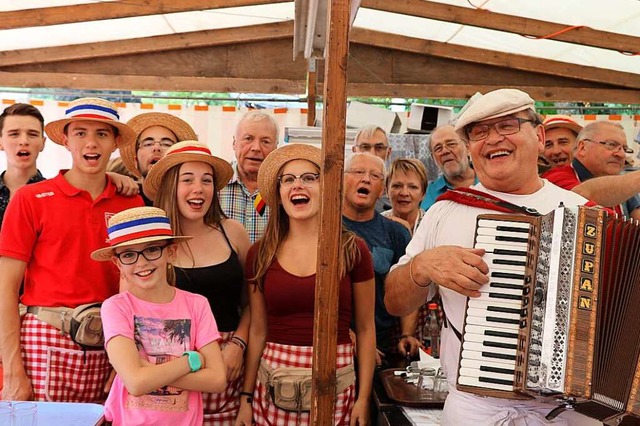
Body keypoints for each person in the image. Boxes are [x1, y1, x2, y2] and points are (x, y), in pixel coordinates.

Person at [384, 88, 599, 425]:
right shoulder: (444, 211)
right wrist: (421, 267)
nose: (493, 139)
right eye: (480, 132)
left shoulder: (586, 216)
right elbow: (394, 302)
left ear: (539, 137)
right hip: (475, 410)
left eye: (508, 126)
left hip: (571, 413)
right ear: (471, 148)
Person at [0, 97, 144, 402]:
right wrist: (12, 369)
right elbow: (5, 288)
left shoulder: (131, 202)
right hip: (45, 338)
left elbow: (139, 288)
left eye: (102, 134)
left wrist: (129, 356)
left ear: (116, 142)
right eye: (80, 133)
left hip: (111, 345)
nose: (90, 143)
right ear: (65, 140)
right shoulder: (30, 199)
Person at [236, 144, 376, 426]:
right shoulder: (260, 253)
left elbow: (364, 328)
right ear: (279, 193)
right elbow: (258, 330)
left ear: (325, 188)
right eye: (288, 179)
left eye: (309, 177)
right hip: (272, 388)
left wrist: (363, 398)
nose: (297, 185)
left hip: (337, 388)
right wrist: (245, 397)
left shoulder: (353, 249)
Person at [144, 141, 251, 425]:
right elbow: (130, 310)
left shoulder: (234, 233)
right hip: (166, 363)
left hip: (227, 360)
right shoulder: (151, 241)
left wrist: (238, 345)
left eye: (206, 181)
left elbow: (254, 303)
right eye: (187, 179)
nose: (198, 189)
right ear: (170, 186)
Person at [92, 206, 227, 426]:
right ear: (118, 263)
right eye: (128, 254)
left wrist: (148, 372)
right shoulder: (115, 307)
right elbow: (135, 383)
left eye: (152, 249)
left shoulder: (197, 304)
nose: (142, 262)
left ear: (171, 253)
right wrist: (193, 361)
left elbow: (217, 379)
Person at [342, 152, 414, 363]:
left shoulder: (396, 233)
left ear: (382, 189)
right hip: (333, 342)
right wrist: (346, 335)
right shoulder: (323, 228)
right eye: (358, 172)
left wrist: (406, 334)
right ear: (342, 179)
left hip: (382, 346)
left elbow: (408, 287)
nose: (366, 179)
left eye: (375, 176)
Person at [543, 121, 640, 219]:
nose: (621, 154)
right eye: (611, 145)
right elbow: (580, 195)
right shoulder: (555, 178)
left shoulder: (620, 183)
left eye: (625, 148)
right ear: (582, 147)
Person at [219, 111, 278, 243]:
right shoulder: (214, 184)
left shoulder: (284, 189)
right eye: (248, 138)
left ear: (276, 148)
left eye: (265, 141)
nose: (256, 148)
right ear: (234, 143)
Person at [121, 112, 198, 205]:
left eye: (166, 144)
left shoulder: (194, 200)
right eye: (148, 144)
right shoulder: (123, 200)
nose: (156, 148)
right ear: (136, 161)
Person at [0, 103, 46, 229]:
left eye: (32, 134)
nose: (24, 141)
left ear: (43, 143)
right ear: (0, 142)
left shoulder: (55, 197)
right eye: (14, 134)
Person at [420, 124, 478, 211]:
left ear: (467, 147)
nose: (445, 151)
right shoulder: (427, 194)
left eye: (451, 144)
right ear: (433, 158)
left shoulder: (490, 183)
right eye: (438, 148)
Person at [381, 158, 428, 235]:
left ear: (423, 193)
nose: (404, 193)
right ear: (387, 191)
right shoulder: (378, 225)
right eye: (397, 186)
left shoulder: (432, 225)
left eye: (413, 187)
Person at [352, 125, 392, 212]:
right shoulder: (342, 184)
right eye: (365, 147)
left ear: (388, 152)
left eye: (379, 148)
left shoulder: (396, 186)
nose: (372, 153)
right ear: (354, 151)